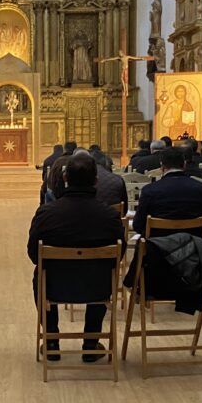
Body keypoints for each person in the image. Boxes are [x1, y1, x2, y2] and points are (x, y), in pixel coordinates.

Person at [27, 153, 125, 362]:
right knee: (104, 272)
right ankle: (91, 342)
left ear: (65, 178)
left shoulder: (47, 213)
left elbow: (33, 254)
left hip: (54, 285)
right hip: (97, 287)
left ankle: (52, 339)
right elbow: (119, 255)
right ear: (96, 181)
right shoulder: (109, 215)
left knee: (40, 275)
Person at [132, 147, 202, 238]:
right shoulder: (201, 188)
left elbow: (138, 225)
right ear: (184, 165)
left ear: (162, 166)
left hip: (158, 246)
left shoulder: (149, 190)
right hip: (193, 245)